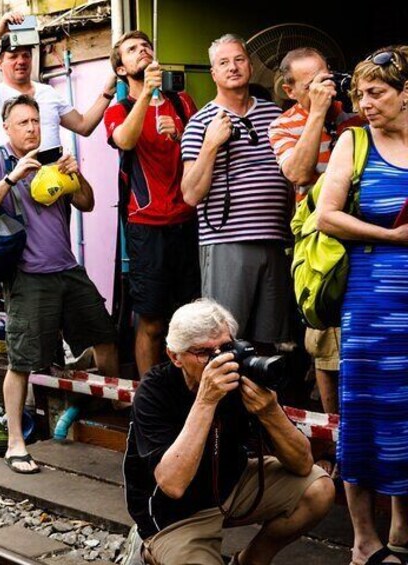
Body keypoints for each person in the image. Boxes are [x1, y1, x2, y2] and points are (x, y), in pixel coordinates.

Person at [0, 95, 118, 473]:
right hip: (28, 274)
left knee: (105, 337)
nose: (32, 128)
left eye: (35, 121)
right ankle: (15, 442)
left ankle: (111, 413)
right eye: (23, 122)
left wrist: (74, 175)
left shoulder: (52, 155)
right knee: (22, 362)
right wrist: (13, 176)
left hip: (67, 268)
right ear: (7, 127)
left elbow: (87, 202)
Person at [125, 298, 334, 564]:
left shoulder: (241, 375)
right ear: (174, 357)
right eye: (204, 353)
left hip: (231, 487)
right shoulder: (154, 391)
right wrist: (206, 400)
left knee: (319, 489)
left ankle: (251, 560)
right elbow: (173, 485)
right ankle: (148, 552)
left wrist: (270, 412)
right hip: (176, 516)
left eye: (225, 347)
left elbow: (303, 464)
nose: (220, 359)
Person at [316, 46, 408, 565]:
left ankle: (401, 527)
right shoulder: (355, 140)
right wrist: (391, 236)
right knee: (366, 412)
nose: (366, 103)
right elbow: (326, 216)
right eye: (361, 94)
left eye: (377, 93)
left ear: (406, 94)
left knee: (406, 411)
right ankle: (363, 539)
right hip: (372, 295)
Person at [267, 47, 365, 475]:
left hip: (368, 238)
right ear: (290, 90)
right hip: (321, 246)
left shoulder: (356, 112)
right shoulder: (284, 123)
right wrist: (315, 116)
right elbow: (299, 174)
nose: (326, 87)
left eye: (328, 77)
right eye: (312, 84)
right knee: (325, 347)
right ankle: (336, 441)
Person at [180, 35, 294, 348]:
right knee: (226, 339)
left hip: (275, 242)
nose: (233, 67)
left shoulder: (274, 115)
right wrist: (211, 144)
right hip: (227, 242)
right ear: (213, 74)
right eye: (223, 63)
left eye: (239, 59)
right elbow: (190, 194)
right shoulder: (201, 122)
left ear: (251, 64)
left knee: (272, 342)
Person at [104, 30, 200, 377]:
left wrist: (180, 133)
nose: (142, 50)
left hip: (188, 220)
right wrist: (145, 94)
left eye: (146, 46)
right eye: (132, 50)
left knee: (190, 320)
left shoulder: (181, 102)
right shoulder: (119, 109)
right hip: (147, 225)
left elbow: (202, 147)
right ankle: (149, 398)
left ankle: (190, 393)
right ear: (120, 69)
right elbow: (124, 141)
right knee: (152, 321)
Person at [0, 11, 116, 150]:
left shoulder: (47, 92)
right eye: (13, 56)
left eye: (26, 55)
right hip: (14, 173)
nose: (21, 61)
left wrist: (107, 93)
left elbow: (84, 125)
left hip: (51, 172)